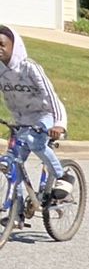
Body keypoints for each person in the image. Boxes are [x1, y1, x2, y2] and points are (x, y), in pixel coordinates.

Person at [0, 24, 73, 208]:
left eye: (2, 44)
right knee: (12, 163)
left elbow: (51, 96)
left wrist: (59, 124)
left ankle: (62, 176)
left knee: (34, 141)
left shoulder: (30, 68)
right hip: (21, 120)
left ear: (14, 46)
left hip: (46, 114)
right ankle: (17, 213)